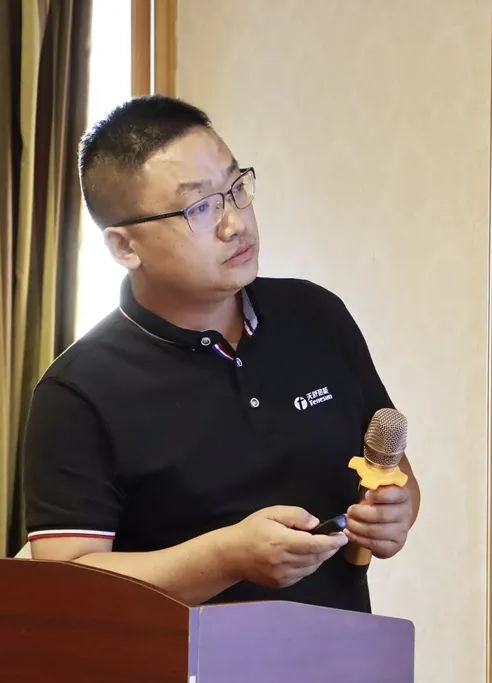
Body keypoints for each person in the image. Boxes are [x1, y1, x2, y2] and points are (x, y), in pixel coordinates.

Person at [23, 95, 420, 613]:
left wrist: (397, 513)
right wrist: (226, 557)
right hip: (181, 655)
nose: (235, 223)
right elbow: (67, 585)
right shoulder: (78, 391)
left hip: (341, 646)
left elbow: (390, 463)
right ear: (125, 247)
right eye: (200, 208)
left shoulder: (316, 315)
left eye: (236, 188)